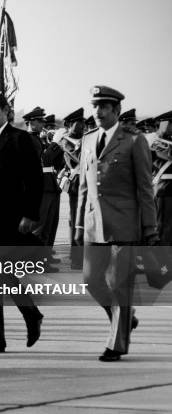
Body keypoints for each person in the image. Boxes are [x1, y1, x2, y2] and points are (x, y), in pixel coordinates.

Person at [75, 86, 158, 361]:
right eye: (95, 106)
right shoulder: (88, 140)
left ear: (116, 111)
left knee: (119, 284)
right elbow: (83, 188)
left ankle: (116, 344)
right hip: (93, 223)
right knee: (91, 280)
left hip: (124, 223)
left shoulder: (134, 141)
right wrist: (78, 225)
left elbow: (145, 187)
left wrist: (150, 229)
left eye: (104, 107)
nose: (97, 112)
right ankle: (124, 317)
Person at [0, 93, 45, 353]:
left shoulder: (19, 139)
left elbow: (35, 180)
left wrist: (30, 215)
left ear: (5, 111)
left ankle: (3, 333)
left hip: (10, 219)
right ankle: (18, 322)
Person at [57, 108, 86, 269]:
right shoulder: (65, 140)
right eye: (78, 122)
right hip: (77, 184)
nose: (82, 125)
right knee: (76, 219)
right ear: (69, 124)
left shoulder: (84, 138)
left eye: (82, 122)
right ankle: (76, 258)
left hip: (88, 182)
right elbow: (77, 160)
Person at [152, 110, 172, 245]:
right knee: (164, 228)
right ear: (164, 124)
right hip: (166, 191)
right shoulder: (156, 143)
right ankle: (162, 264)